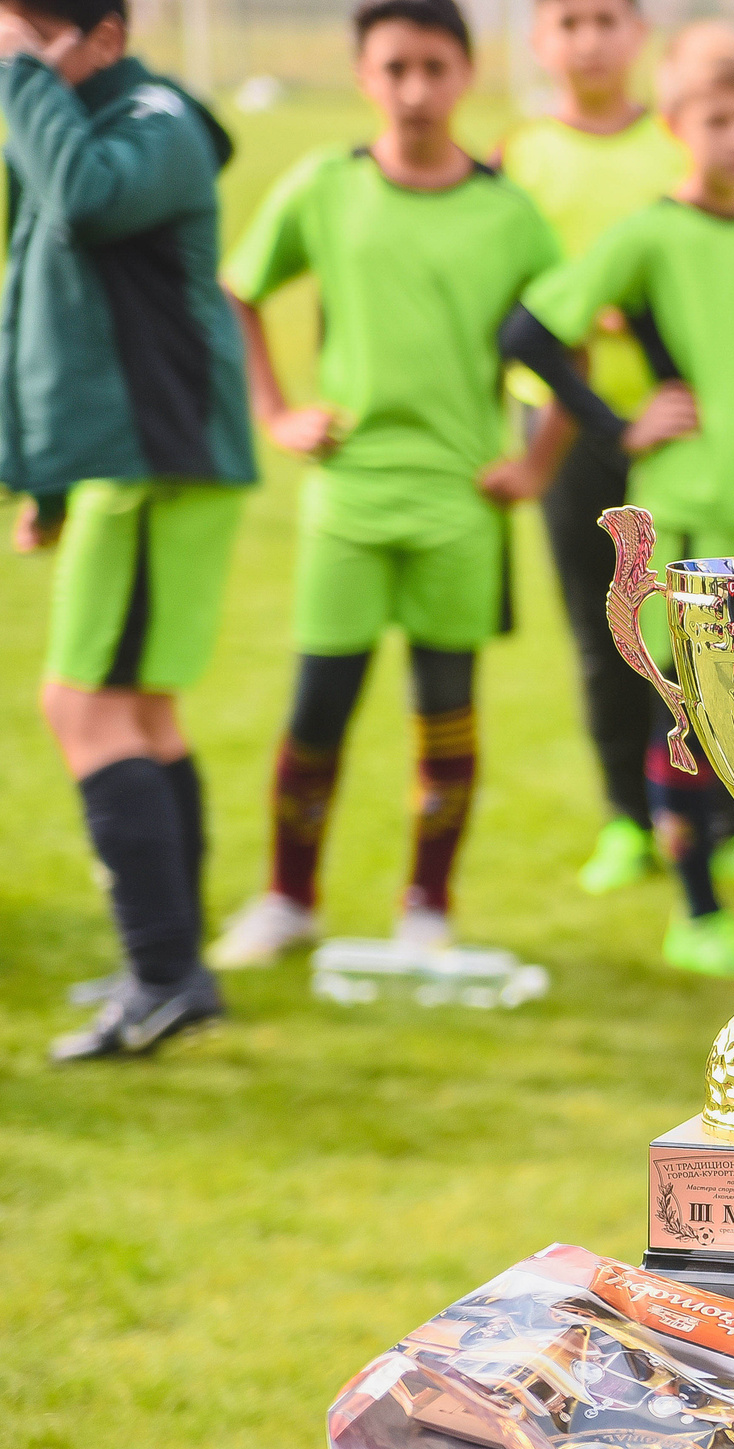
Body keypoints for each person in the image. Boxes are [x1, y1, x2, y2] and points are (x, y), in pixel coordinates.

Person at [210, 0, 559, 969]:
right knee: (317, 709)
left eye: (434, 67)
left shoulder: (507, 209)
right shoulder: (324, 187)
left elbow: (568, 336)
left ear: (466, 72)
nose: (415, 89)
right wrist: (276, 411)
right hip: (348, 500)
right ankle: (288, 896)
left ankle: (427, 909)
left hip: (460, 506)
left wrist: (536, 461)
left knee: (445, 714)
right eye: (394, 67)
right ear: (365, 74)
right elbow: (235, 288)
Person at [503, 21, 734, 978]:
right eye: (715, 119)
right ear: (675, 125)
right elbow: (530, 331)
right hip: (687, 507)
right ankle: (693, 916)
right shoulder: (649, 232)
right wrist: (617, 426)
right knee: (685, 712)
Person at [3, 0, 252, 1059]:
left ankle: (162, 977)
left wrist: (24, 82)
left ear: (100, 38)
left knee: (82, 705)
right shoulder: (88, 111)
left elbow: (85, 203)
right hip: (121, 463)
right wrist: (41, 479)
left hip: (154, 463)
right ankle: (175, 963)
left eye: (21, 34)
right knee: (143, 709)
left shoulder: (155, 121)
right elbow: (39, 295)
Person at [495, 0, 685, 899]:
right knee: (597, 626)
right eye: (569, 21)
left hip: (676, 424)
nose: (590, 39)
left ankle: (707, 814)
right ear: (540, 40)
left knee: (690, 627)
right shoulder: (520, 156)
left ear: (638, 34)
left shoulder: (675, 146)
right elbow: (511, 298)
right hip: (563, 422)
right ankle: (623, 818)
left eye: (608, 18)